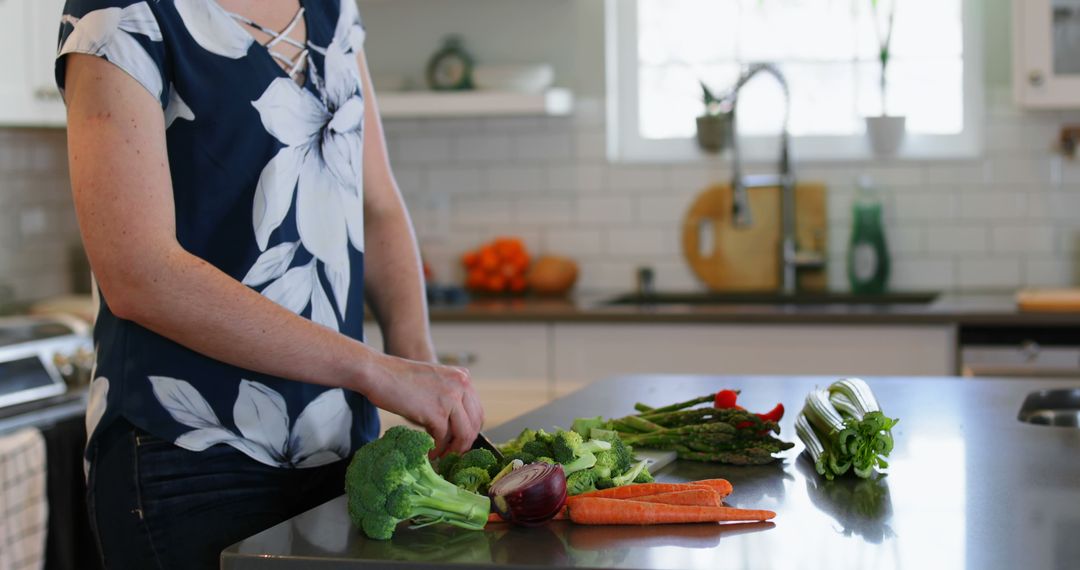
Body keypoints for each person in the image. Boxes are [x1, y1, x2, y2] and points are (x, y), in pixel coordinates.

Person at [55, 0, 484, 568]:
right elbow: (140, 274)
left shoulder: (331, 12)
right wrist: (377, 370)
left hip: (338, 451)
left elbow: (376, 206)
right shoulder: (125, 14)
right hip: (190, 459)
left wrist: (420, 365)